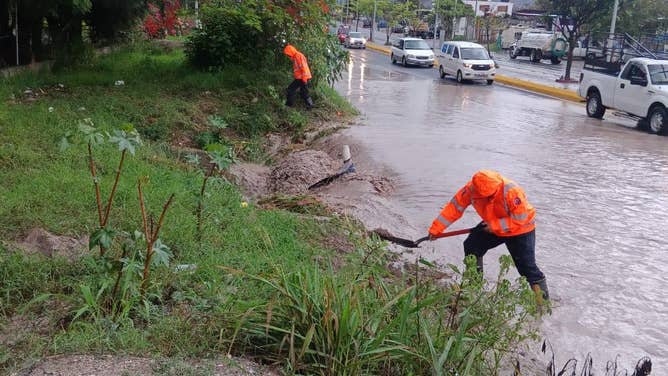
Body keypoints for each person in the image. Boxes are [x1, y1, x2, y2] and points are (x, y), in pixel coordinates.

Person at [428, 170, 549, 301]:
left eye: (489, 196)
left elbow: (522, 218)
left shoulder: (511, 191)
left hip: (521, 230)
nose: (486, 199)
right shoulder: (470, 189)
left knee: (527, 269)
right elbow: (454, 208)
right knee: (472, 246)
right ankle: (473, 288)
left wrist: (495, 225)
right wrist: (436, 229)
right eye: (482, 196)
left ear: (496, 188)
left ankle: (543, 305)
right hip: (493, 226)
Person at [283, 44, 314, 109]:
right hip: (302, 77)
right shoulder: (295, 56)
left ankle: (288, 105)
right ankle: (310, 105)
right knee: (303, 92)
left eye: (288, 54)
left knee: (291, 89)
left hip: (303, 78)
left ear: (291, 51)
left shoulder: (298, 56)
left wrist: (304, 79)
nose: (288, 56)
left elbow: (304, 67)